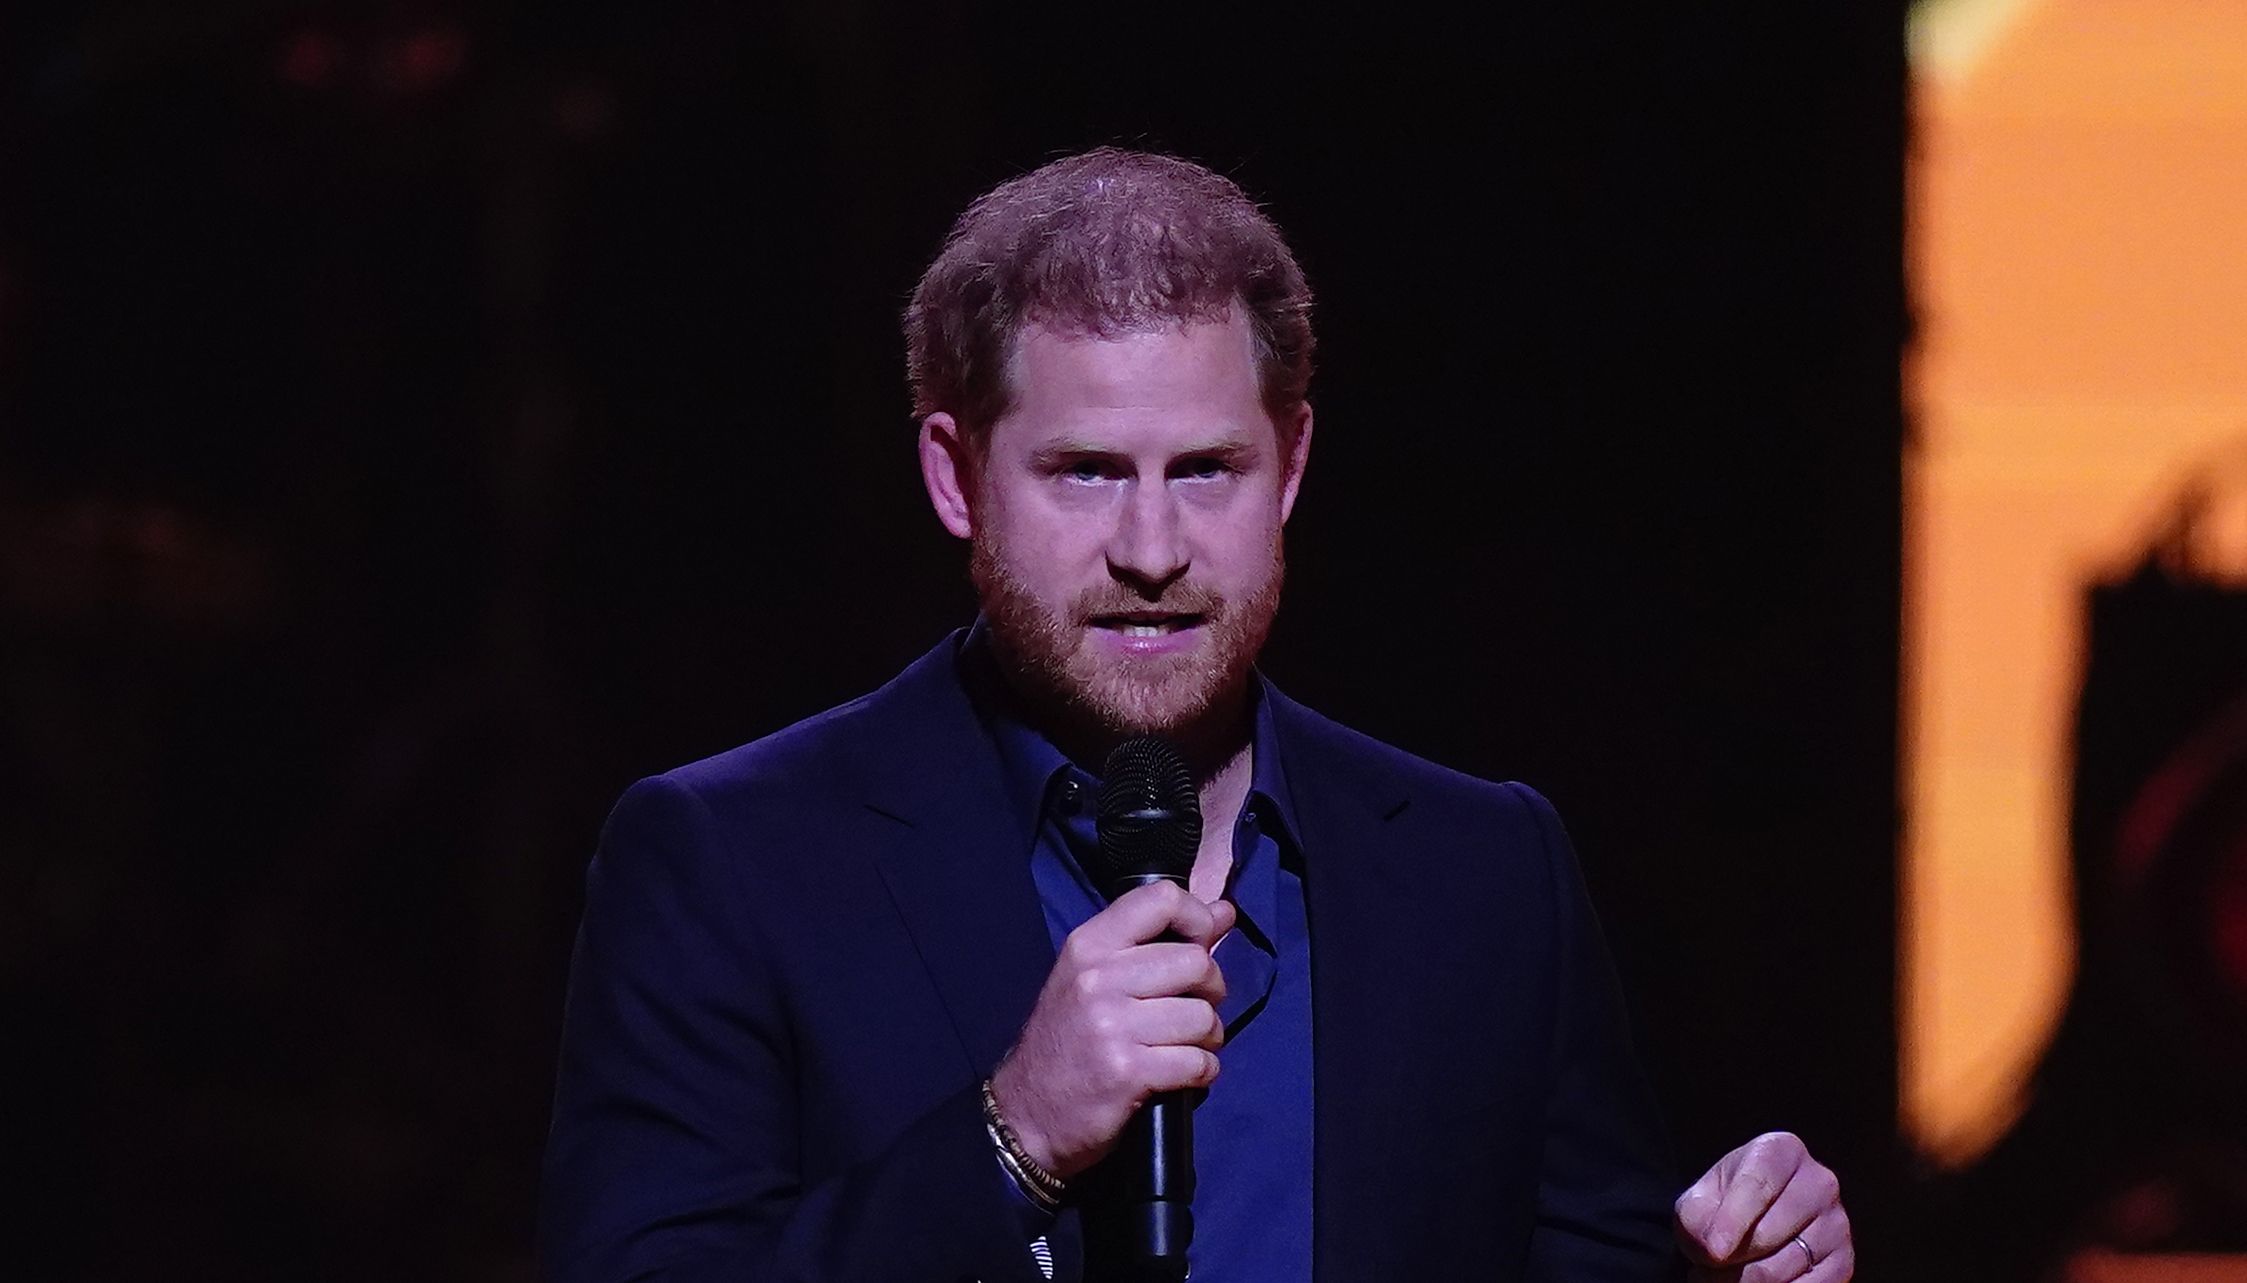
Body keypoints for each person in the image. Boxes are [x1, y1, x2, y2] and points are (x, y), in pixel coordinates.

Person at [539, 148, 1855, 1282]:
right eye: (1086, 473)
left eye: (1208, 470)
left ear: (1291, 465)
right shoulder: (735, 861)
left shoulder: (1486, 873)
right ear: (956, 478)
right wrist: (1011, 1139)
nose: (1153, 548)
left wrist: (1723, 1270)